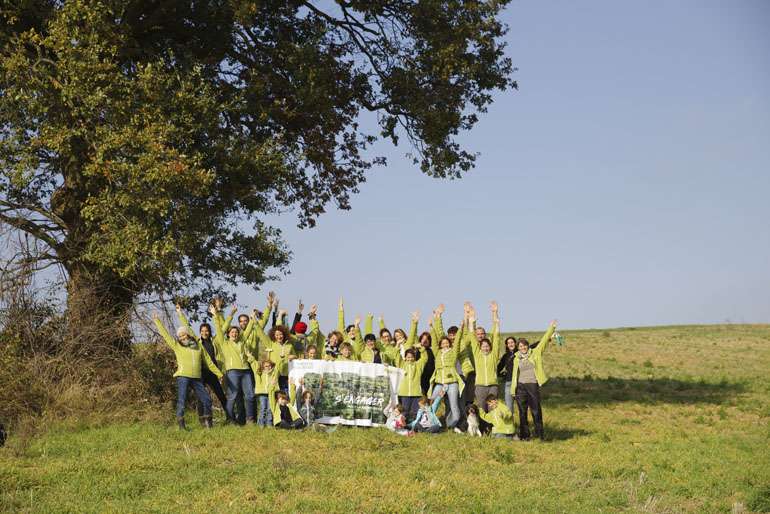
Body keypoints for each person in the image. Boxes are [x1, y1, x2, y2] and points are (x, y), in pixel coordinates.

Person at [153, 312, 223, 430]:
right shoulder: (177, 346)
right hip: (183, 377)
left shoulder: (198, 346)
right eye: (180, 336)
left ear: (188, 334)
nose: (182, 337)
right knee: (182, 400)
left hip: (197, 377)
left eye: (184, 335)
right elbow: (166, 335)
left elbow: (209, 362)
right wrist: (158, 322)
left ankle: (208, 423)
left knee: (206, 399)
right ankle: (181, 426)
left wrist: (219, 374)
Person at [176, 305, 229, 423]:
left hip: (212, 371)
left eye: (207, 331)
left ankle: (230, 417)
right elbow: (188, 328)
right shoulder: (197, 342)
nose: (205, 332)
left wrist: (216, 315)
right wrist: (180, 313)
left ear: (210, 332)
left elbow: (223, 328)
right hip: (201, 373)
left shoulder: (215, 341)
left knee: (220, 394)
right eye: (202, 331)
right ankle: (202, 420)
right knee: (202, 397)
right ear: (200, 332)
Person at [211, 305, 258, 424]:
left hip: (246, 370)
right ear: (228, 334)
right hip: (233, 371)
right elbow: (219, 329)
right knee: (233, 396)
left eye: (236, 332)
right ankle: (230, 419)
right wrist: (217, 316)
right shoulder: (224, 343)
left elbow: (247, 330)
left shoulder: (242, 341)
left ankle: (250, 419)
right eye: (232, 332)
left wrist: (252, 318)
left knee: (250, 395)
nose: (234, 334)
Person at [513, 320, 557, 440]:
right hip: (520, 387)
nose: (523, 348)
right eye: (520, 346)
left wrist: (551, 328)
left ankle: (539, 435)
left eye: (524, 345)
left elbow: (543, 342)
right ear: (518, 348)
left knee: (536, 410)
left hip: (532, 385)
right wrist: (513, 390)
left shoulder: (535, 353)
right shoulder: (516, 358)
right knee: (522, 413)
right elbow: (514, 376)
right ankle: (524, 435)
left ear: (528, 346)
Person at [428, 316, 465, 430]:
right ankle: (430, 423)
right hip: (440, 383)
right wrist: (431, 327)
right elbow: (433, 340)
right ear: (440, 345)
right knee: (432, 403)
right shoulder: (437, 352)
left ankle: (450, 425)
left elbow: (458, 340)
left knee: (454, 407)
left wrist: (461, 328)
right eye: (443, 343)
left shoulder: (453, 352)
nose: (445, 344)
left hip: (452, 383)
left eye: (446, 343)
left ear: (449, 343)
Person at [467, 302, 502, 412]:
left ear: (490, 347)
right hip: (480, 386)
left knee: (493, 409)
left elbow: (496, 337)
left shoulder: (493, 354)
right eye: (483, 346)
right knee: (481, 409)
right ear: (480, 347)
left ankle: (494, 429)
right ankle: (483, 429)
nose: (485, 348)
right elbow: (472, 337)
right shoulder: (477, 354)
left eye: (487, 346)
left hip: (493, 386)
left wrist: (495, 313)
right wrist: (471, 321)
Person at [393, 312, 424, 422]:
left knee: (414, 409)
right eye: (396, 336)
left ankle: (414, 425)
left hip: (412, 373)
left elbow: (412, 334)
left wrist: (414, 322)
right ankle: (401, 423)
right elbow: (395, 357)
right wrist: (396, 346)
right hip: (401, 372)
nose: (399, 337)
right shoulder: (395, 347)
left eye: (400, 335)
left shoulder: (408, 345)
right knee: (404, 407)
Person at [252, 359, 279, 427]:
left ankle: (269, 423)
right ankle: (261, 424)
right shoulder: (260, 373)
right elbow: (254, 365)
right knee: (263, 408)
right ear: (263, 367)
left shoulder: (274, 372)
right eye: (266, 366)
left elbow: (278, 365)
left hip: (271, 393)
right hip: (262, 393)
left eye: (269, 366)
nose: (268, 367)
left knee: (270, 409)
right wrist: (251, 358)